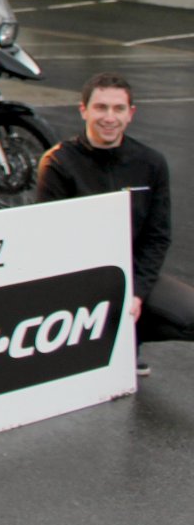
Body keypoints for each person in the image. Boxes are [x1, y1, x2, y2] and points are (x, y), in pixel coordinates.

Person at [37, 73, 194, 375]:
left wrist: (135, 293)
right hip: (78, 279)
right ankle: (94, 344)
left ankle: (129, 335)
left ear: (131, 113)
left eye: (118, 109)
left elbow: (157, 238)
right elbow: (50, 241)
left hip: (131, 275)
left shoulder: (151, 163)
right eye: (101, 108)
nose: (109, 117)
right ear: (83, 110)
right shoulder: (57, 163)